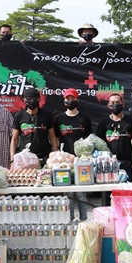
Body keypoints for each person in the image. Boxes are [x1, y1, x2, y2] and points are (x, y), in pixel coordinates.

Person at [54, 88, 93, 221]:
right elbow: (56, 138)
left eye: (72, 99)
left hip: (81, 161)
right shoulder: (59, 118)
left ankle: (84, 221)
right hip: (64, 161)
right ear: (64, 100)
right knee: (67, 193)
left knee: (81, 193)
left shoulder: (85, 118)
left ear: (77, 100)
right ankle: (69, 220)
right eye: (67, 99)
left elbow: (89, 140)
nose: (70, 101)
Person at [96, 94, 132, 183]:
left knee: (127, 189)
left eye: (117, 102)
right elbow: (99, 144)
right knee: (109, 190)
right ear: (108, 105)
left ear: (123, 104)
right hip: (108, 164)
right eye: (112, 102)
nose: (115, 105)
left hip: (127, 163)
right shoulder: (103, 123)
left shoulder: (130, 121)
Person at [10, 88, 57, 167]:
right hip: (25, 157)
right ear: (24, 100)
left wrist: (55, 155)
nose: (31, 101)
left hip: (43, 156)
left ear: (38, 99)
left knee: (45, 175)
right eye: (28, 99)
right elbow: (14, 139)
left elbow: (52, 136)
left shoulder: (46, 115)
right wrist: (12, 159)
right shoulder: (19, 116)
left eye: (33, 99)